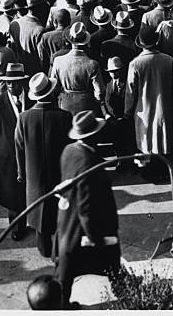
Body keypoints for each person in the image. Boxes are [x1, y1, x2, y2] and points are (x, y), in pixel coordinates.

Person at [56, 110, 120, 303]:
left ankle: (61, 304)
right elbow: (85, 209)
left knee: (65, 277)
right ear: (94, 136)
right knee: (112, 266)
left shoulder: (69, 151)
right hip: (85, 232)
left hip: (67, 227)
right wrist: (96, 239)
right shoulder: (89, 164)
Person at [15, 72, 72, 256]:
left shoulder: (24, 118)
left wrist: (21, 172)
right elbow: (70, 148)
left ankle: (44, 247)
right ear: (52, 92)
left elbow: (19, 147)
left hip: (33, 174)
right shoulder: (64, 116)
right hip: (59, 172)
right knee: (59, 209)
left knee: (38, 208)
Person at [0, 63, 30, 241]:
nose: (12, 86)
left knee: (30, 190)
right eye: (9, 83)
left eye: (16, 82)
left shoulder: (33, 99)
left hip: (30, 154)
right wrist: (5, 144)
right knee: (12, 194)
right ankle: (17, 226)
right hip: (8, 155)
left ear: (22, 82)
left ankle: (32, 220)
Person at [125, 26, 173, 156]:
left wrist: (127, 111)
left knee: (146, 142)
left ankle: (149, 170)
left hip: (143, 109)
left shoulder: (135, 64)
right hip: (164, 108)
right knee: (162, 140)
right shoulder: (169, 60)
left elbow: (130, 92)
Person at [51, 22, 105, 116]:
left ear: (70, 40)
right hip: (87, 106)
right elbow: (99, 92)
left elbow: (54, 88)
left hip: (65, 105)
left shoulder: (58, 61)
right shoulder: (92, 64)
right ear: (86, 41)